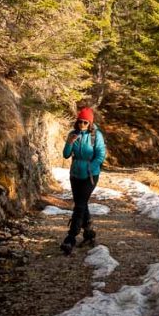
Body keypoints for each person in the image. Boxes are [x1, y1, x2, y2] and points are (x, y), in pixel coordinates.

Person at [61, 106, 107, 255]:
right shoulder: (73, 134)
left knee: (79, 205)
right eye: (80, 122)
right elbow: (66, 155)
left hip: (90, 176)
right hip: (75, 175)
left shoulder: (96, 136)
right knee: (81, 203)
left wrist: (90, 168)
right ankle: (89, 233)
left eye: (85, 122)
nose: (82, 125)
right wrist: (69, 142)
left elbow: (100, 155)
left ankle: (70, 238)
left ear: (90, 123)